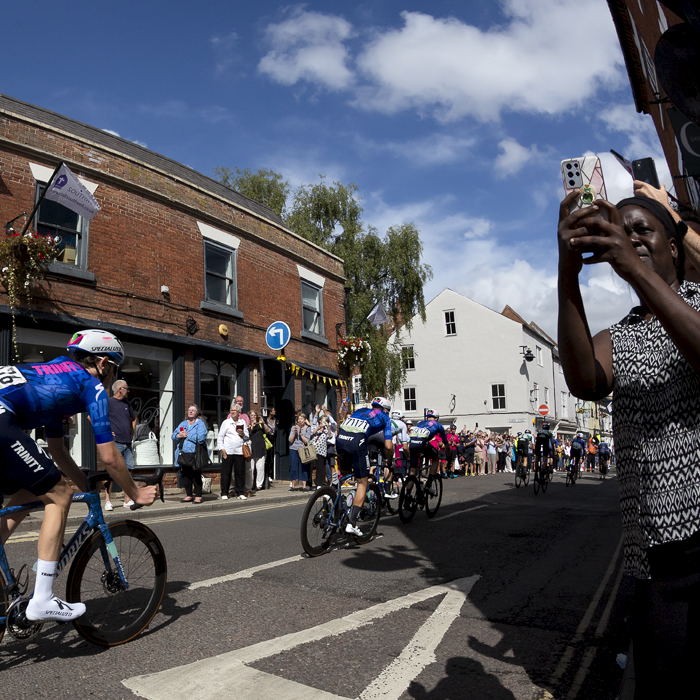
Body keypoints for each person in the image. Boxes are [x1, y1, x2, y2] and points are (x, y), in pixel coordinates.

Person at [557, 188, 700, 696]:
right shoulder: (625, 334)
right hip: (655, 559)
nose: (630, 237)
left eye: (642, 229)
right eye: (622, 229)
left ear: (675, 247)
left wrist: (636, 272)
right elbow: (582, 380)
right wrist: (567, 271)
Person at [0, 329, 157, 622]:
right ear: (102, 363)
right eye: (113, 368)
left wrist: (87, 487)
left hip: (5, 419)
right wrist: (134, 492)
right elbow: (110, 456)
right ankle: (42, 599)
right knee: (60, 495)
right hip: (2, 418)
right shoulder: (90, 387)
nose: (112, 377)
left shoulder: (56, 375)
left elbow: (58, 452)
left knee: (33, 489)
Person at [336, 396, 394, 536]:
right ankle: (352, 523)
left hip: (341, 438)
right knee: (362, 482)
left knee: (344, 473)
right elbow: (388, 445)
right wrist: (389, 460)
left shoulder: (361, 410)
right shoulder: (385, 418)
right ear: (386, 410)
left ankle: (332, 495)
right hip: (357, 441)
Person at [104, 379, 137, 511]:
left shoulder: (127, 404)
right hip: (114, 442)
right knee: (111, 473)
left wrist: (132, 433)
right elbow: (93, 417)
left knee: (128, 472)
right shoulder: (108, 402)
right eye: (126, 388)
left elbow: (134, 418)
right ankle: (107, 501)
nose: (128, 391)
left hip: (127, 443)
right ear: (119, 389)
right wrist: (105, 431)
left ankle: (127, 500)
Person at [172, 404, 207, 503]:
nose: (190, 412)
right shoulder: (183, 424)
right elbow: (173, 436)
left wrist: (187, 435)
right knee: (185, 475)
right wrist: (179, 435)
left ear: (197, 413)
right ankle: (188, 495)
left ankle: (198, 496)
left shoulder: (200, 423)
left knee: (196, 474)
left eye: (193, 410)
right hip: (183, 453)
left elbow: (201, 438)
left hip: (195, 453)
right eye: (189, 410)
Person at [218, 404, 249, 500]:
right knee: (226, 472)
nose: (232, 412)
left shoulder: (242, 422)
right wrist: (222, 449)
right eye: (231, 410)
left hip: (239, 451)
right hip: (228, 451)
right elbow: (220, 437)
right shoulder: (226, 422)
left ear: (239, 412)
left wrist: (242, 434)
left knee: (240, 472)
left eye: (234, 411)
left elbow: (247, 437)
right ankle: (224, 492)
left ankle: (240, 492)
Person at [408, 410, 448, 479]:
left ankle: (408, 489)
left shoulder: (420, 423)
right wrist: (448, 452)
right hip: (422, 444)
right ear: (437, 418)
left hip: (412, 444)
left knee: (413, 472)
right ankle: (429, 483)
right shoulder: (438, 425)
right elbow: (445, 442)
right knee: (436, 458)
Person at [247, 409, 271, 494]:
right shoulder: (248, 424)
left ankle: (258, 485)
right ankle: (250, 485)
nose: (253, 417)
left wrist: (263, 423)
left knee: (260, 468)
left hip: (260, 448)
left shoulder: (261, 425)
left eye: (255, 415)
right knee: (251, 469)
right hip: (251, 449)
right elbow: (248, 434)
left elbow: (268, 431)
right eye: (252, 415)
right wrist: (252, 426)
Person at [288, 413, 311, 491]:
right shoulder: (293, 428)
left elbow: (306, 442)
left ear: (305, 420)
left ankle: (304, 486)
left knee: (303, 468)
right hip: (293, 449)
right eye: (299, 419)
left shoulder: (308, 429)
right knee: (293, 467)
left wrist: (300, 433)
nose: (300, 420)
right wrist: (294, 432)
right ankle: (293, 486)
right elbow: (290, 440)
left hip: (302, 450)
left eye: (301, 419)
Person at [264, 407, 277, 487]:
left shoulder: (275, 420)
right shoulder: (266, 420)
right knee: (267, 457)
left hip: (273, 439)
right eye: (273, 410)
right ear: (270, 412)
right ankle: (267, 475)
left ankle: (270, 474)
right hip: (267, 440)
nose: (275, 411)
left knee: (272, 457)